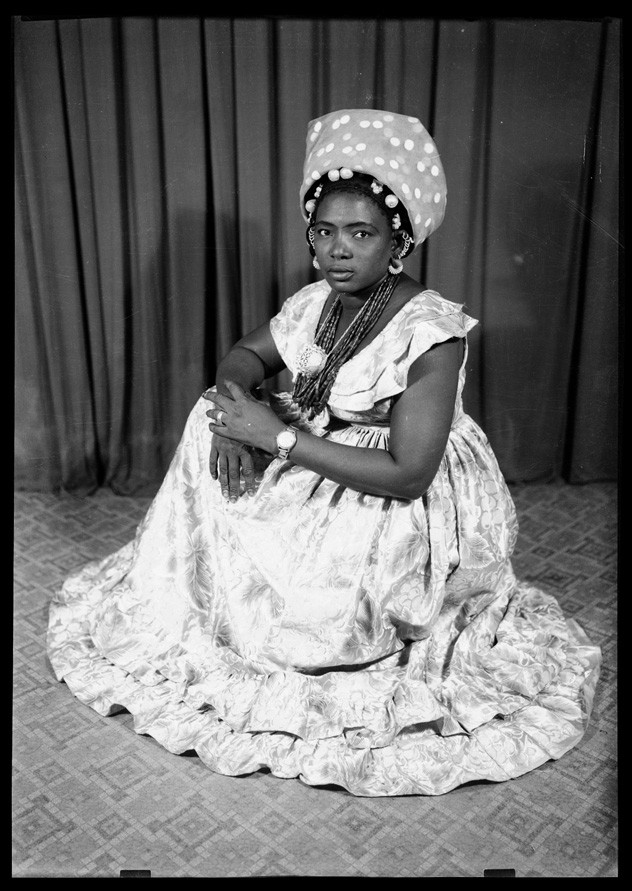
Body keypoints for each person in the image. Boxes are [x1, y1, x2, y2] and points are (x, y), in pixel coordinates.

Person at [47, 109, 601, 797]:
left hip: (402, 502)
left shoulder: (430, 331)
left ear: (397, 242)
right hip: (324, 449)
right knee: (206, 411)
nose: (339, 251)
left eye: (361, 234)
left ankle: (300, 620)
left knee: (311, 586)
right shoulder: (317, 302)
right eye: (325, 232)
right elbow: (247, 355)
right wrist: (232, 406)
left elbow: (408, 473)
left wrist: (275, 436)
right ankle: (221, 594)